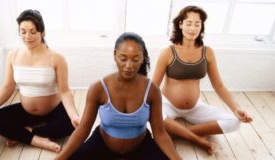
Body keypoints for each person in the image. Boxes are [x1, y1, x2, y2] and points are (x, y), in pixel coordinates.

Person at [55, 32, 181, 160]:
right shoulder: (98, 88)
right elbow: (82, 130)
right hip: (103, 145)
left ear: (143, 58)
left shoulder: (152, 90)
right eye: (123, 58)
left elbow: (160, 134)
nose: (129, 65)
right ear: (115, 55)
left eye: (135, 59)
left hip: (141, 146)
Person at [0, 9, 80, 152]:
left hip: (53, 109)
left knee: (70, 125)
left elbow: (65, 91)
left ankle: (26, 133)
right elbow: (7, 87)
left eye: (33, 31)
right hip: (26, 111)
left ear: (42, 32)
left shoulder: (57, 58)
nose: (27, 36)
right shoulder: (13, 55)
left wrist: (73, 116)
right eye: (23, 32)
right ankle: (38, 140)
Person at [152, 5, 253, 155]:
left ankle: (181, 133)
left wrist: (236, 109)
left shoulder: (208, 52)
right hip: (168, 105)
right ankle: (196, 138)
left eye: (197, 24)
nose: (192, 28)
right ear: (180, 24)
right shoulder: (168, 52)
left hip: (194, 107)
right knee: (149, 120)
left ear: (201, 26)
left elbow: (219, 86)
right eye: (188, 23)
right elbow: (153, 87)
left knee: (234, 122)